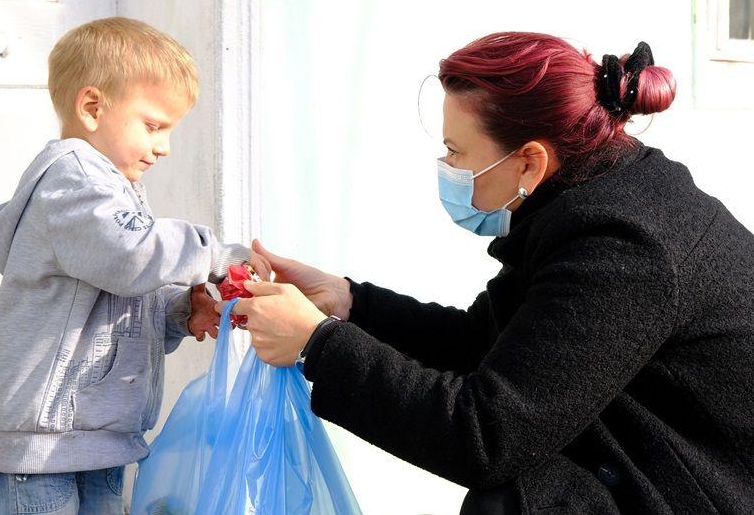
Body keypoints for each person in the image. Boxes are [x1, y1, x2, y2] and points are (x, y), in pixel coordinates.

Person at [223, 33, 754, 513]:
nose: (447, 167)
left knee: (517, 502)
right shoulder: (591, 197)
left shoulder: (624, 250)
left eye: (456, 151)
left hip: (706, 491)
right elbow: (486, 343)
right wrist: (348, 303)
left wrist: (318, 343)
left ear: (529, 162)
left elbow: (487, 437)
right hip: (655, 460)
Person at [0, 17, 269, 514]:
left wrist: (179, 312)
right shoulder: (72, 180)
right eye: (153, 126)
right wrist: (215, 256)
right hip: (48, 446)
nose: (164, 146)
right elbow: (132, 256)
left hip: (98, 436)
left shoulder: (113, 189)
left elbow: (120, 298)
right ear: (92, 108)